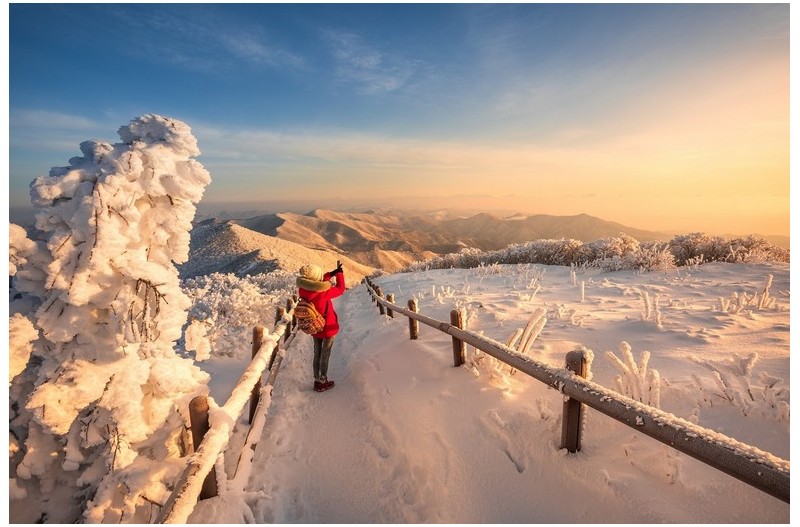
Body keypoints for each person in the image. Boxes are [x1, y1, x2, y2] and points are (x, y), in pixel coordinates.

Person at [296, 260, 345, 392]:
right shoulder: (323, 293)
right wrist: (340, 274)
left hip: (314, 327)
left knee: (317, 353)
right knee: (325, 354)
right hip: (327, 327)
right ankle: (323, 381)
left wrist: (331, 273)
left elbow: (319, 281)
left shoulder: (303, 290)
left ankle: (317, 379)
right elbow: (341, 289)